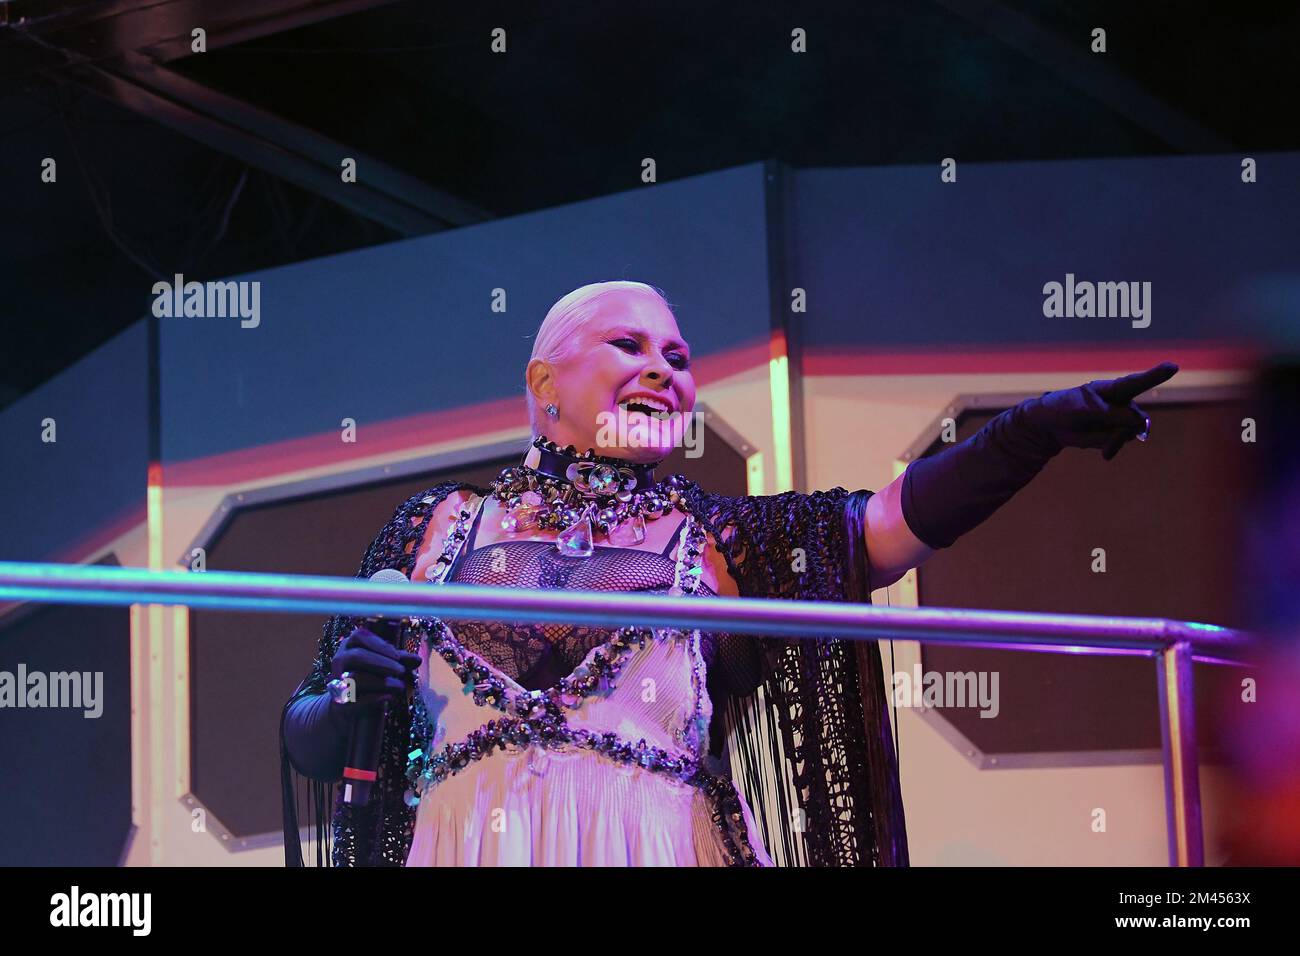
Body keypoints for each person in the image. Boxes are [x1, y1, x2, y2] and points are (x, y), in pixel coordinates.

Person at [281, 279, 1178, 867]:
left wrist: (1025, 434)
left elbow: (887, 525)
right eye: (630, 347)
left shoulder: (716, 539)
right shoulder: (436, 528)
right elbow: (311, 737)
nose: (664, 373)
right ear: (544, 382)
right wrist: (349, 697)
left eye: (677, 358)